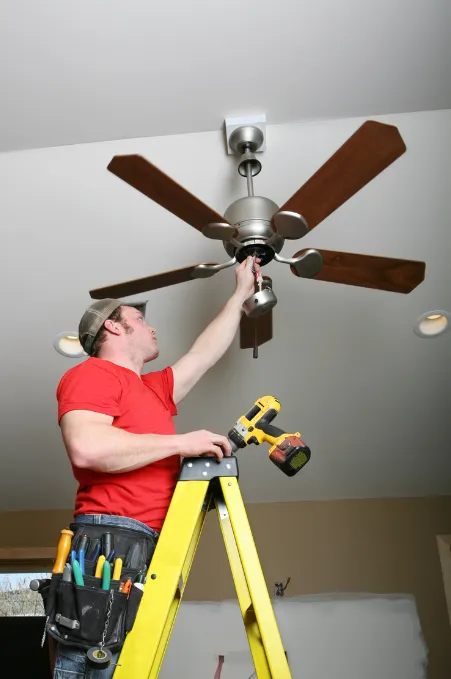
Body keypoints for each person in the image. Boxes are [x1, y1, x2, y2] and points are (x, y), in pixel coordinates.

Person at [51, 256, 259, 678]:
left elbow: (203, 354)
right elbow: (87, 448)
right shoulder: (93, 374)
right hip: (110, 538)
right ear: (113, 326)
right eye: (139, 320)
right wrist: (184, 442)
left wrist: (239, 294)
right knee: (96, 666)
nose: (151, 327)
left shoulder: (150, 390)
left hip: (147, 541)